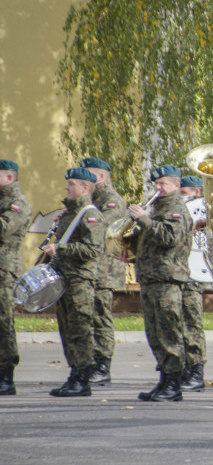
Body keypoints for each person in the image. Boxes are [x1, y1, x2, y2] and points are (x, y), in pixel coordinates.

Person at [132, 165, 192, 402]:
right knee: (155, 333)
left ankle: (174, 384)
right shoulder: (155, 208)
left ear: (176, 186)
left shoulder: (177, 210)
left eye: (163, 184)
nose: (158, 188)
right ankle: (164, 379)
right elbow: (148, 241)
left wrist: (144, 220)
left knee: (169, 332)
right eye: (156, 184)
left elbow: (169, 238)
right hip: (150, 277)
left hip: (167, 279)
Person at [44, 167, 103, 396]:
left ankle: (82, 379)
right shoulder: (70, 212)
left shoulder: (90, 214)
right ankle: (74, 374)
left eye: (71, 184)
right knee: (67, 329)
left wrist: (59, 248)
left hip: (80, 281)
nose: (67, 187)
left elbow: (93, 249)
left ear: (85, 187)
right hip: (65, 280)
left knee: (80, 330)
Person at [79, 157, 127, 387]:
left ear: (99, 177)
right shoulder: (92, 200)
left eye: (87, 175)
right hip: (91, 267)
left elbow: (100, 229)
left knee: (101, 316)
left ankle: (102, 364)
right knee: (90, 316)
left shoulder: (111, 200)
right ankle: (91, 362)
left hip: (104, 269)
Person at [0, 160, 32, 395]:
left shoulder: (17, 203)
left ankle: (6, 375)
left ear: (9, 178)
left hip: (4, 270)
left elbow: (4, 228)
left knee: (3, 322)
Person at [178, 174, 209, 391]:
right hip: (179, 272)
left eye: (183, 192)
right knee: (180, 324)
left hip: (192, 276)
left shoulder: (203, 211)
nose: (180, 197)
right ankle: (184, 369)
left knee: (191, 324)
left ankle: (196, 371)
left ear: (196, 192)